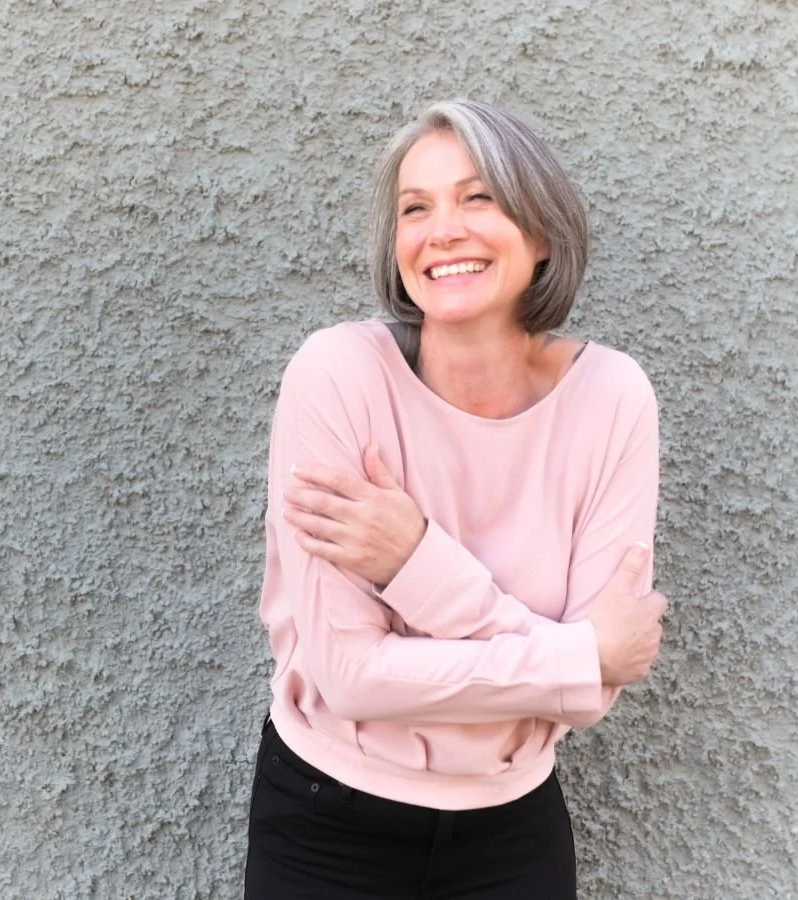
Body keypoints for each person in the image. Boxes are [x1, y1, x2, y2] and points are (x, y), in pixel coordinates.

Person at [243, 99, 669, 898]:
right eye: (416, 208)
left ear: (541, 234)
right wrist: (572, 655)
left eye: (478, 198)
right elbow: (353, 677)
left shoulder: (613, 398)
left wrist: (414, 561)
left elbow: (590, 698)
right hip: (325, 826)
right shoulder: (337, 378)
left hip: (511, 834)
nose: (442, 230)